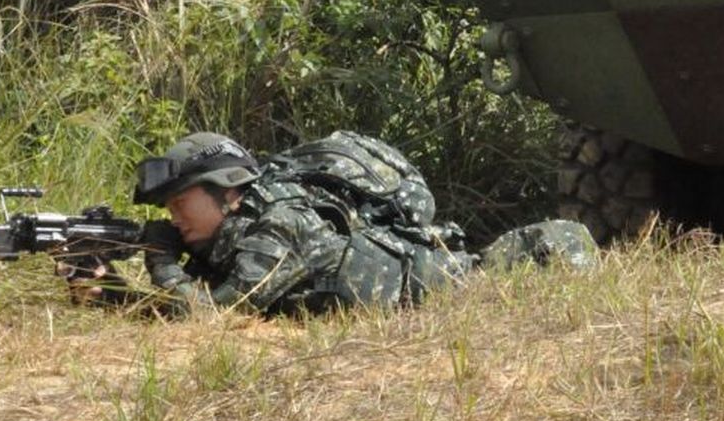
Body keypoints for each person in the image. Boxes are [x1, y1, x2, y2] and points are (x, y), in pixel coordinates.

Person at [106, 129, 596, 315]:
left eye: (180, 202)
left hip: (449, 289)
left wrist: (161, 262)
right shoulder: (232, 232)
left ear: (228, 190)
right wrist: (107, 288)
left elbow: (218, 315)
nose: (173, 217)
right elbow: (188, 301)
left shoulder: (281, 223)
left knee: (523, 264)